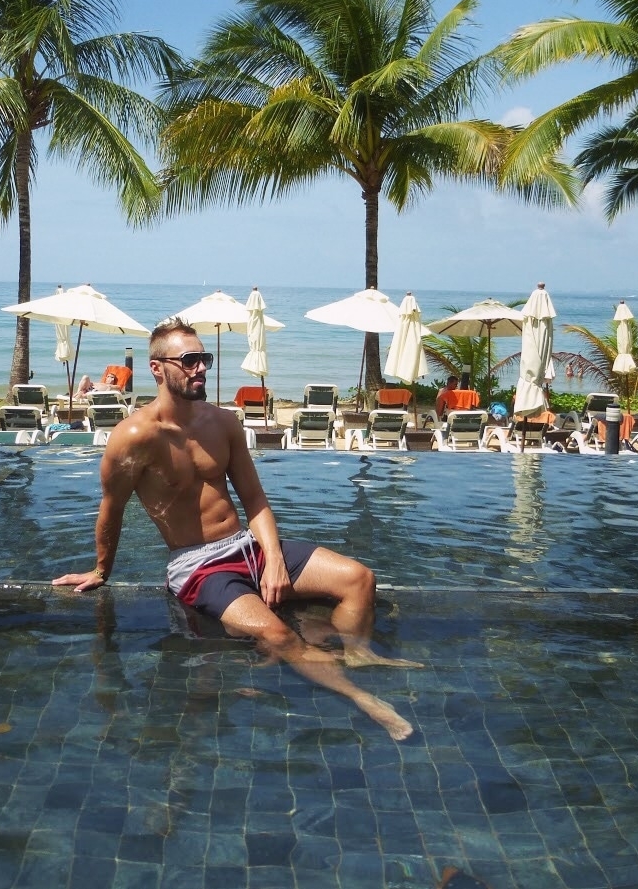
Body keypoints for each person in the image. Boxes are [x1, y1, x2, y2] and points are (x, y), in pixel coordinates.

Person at [53, 316, 418, 740]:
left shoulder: (224, 423)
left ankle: (357, 652)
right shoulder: (133, 436)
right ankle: (361, 698)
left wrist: (274, 560)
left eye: (203, 359)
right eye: (189, 360)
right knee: (278, 634)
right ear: (157, 368)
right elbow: (111, 509)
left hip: (247, 546)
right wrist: (101, 570)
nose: (201, 368)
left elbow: (255, 499)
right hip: (197, 564)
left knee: (360, 578)